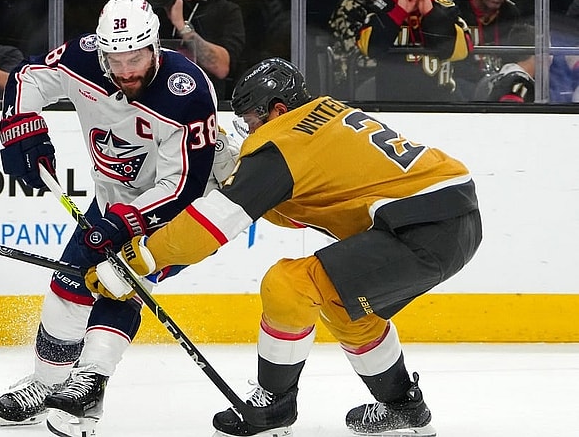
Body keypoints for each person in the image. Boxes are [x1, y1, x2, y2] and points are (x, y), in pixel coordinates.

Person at [87, 57, 483, 437]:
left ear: (277, 110)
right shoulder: (325, 118)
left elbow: (214, 224)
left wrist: (138, 260)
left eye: (252, 120)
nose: (249, 131)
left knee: (289, 284)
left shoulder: (284, 143)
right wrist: (236, 177)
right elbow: (296, 211)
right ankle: (403, 406)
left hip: (424, 225)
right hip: (448, 214)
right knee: (341, 303)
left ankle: (274, 405)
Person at [0, 0, 238, 435]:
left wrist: (123, 223)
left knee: (119, 284)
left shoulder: (189, 91)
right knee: (69, 281)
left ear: (154, 47)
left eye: (136, 57)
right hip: (112, 201)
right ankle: (46, 385)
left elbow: (185, 186)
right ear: (100, 51)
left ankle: (90, 385)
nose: (126, 70)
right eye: (115, 59)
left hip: (184, 213)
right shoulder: (84, 57)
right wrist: (20, 127)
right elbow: (30, 78)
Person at [355, 0, 473, 101]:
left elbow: (462, 50)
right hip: (391, 104)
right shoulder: (383, 7)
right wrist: (398, 12)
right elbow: (368, 48)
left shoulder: (445, 8)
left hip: (441, 102)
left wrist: (431, 15)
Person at [139, 0, 245, 100]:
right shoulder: (159, 5)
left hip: (202, 101)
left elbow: (221, 68)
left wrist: (182, 26)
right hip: (155, 98)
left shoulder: (227, 11)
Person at [452, 0, 522, 99]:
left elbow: (514, 59)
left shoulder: (509, 12)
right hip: (461, 85)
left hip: (498, 85)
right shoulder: (452, 8)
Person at [473, 23, 539, 102]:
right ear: (538, 53)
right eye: (549, 49)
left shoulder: (496, 78)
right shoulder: (518, 81)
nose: (551, 56)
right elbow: (509, 112)